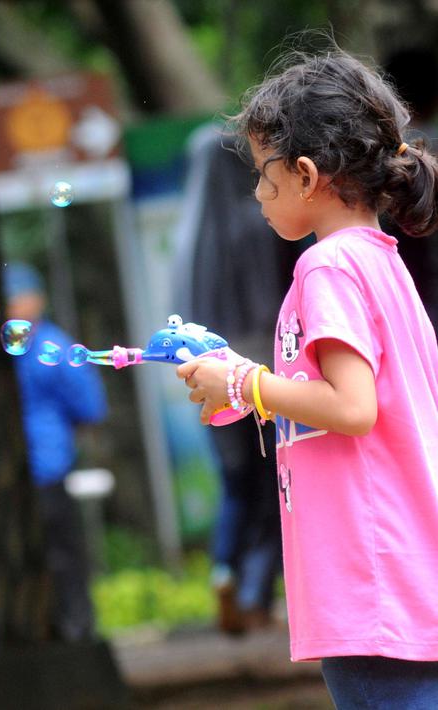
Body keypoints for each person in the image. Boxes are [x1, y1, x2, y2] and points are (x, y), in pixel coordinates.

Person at [177, 46, 438, 707]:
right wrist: (246, 384)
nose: (258, 197)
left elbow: (351, 408)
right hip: (398, 585)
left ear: (303, 174)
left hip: (370, 596)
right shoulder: (380, 261)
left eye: (263, 177)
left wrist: (244, 385)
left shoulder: (326, 268)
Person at [173, 125, 292, 634]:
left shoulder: (186, 235)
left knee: (234, 485)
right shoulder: (257, 221)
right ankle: (255, 593)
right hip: (261, 375)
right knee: (271, 487)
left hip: (207, 376)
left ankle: (224, 570)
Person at [3, 263, 108, 642]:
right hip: (48, 467)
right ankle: (73, 627)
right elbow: (91, 407)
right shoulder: (55, 346)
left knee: (38, 555)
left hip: (28, 471)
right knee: (61, 554)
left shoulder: (9, 350)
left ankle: (57, 628)